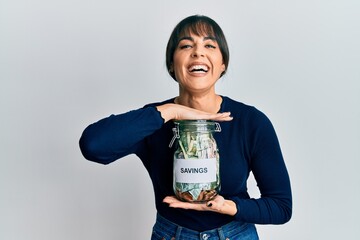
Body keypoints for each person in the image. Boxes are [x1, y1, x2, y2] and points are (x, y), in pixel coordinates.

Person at [79, 15, 292, 240]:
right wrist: (172, 112)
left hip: (235, 234)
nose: (198, 52)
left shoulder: (250, 122)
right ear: (172, 64)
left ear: (222, 65)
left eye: (209, 45)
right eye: (186, 45)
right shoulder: (155, 121)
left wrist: (227, 206)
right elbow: (93, 146)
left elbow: (281, 207)